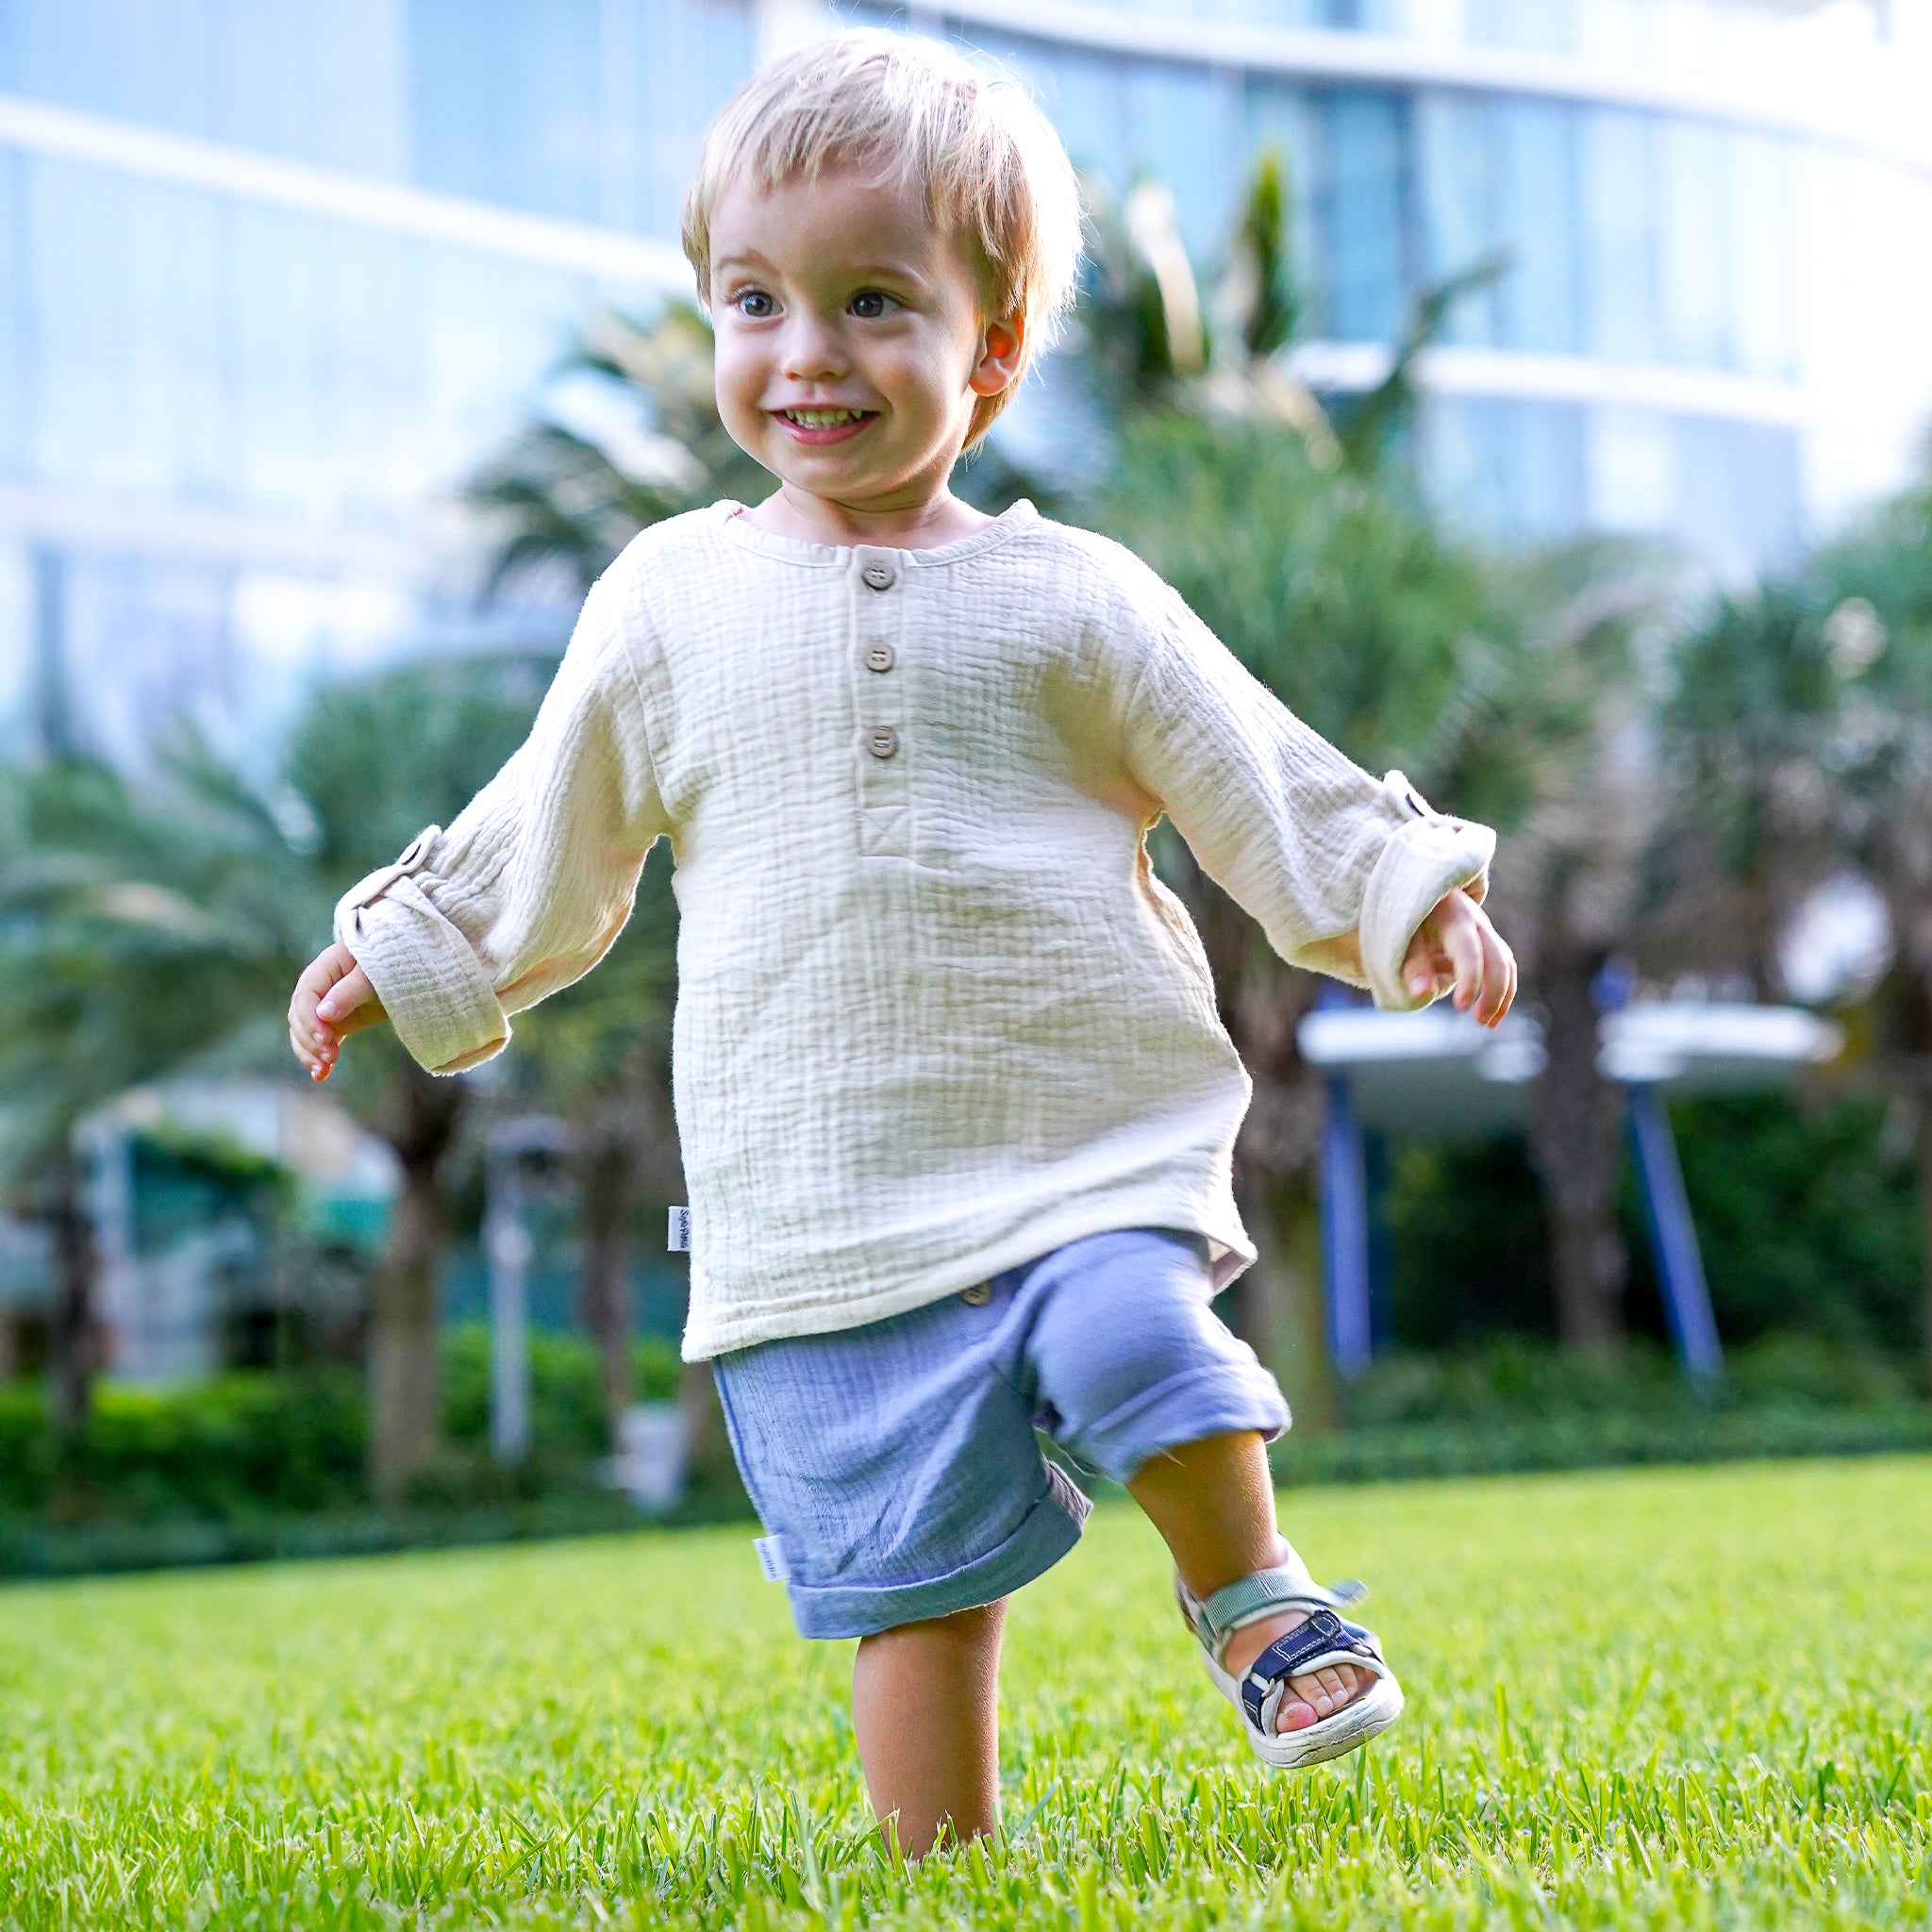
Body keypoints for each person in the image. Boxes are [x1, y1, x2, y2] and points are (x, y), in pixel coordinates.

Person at [288, 30, 1517, 1859]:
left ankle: (1256, 1597)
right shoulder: (669, 601)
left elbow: (1256, 771)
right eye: (756, 301)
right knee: (909, 1577)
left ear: (990, 348)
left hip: (1075, 1144)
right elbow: (553, 817)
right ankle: (941, 1862)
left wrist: (1406, 893)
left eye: (872, 302)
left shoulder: (1074, 599)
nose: (806, 353)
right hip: (821, 1190)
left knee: (1136, 1332)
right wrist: (421, 942)